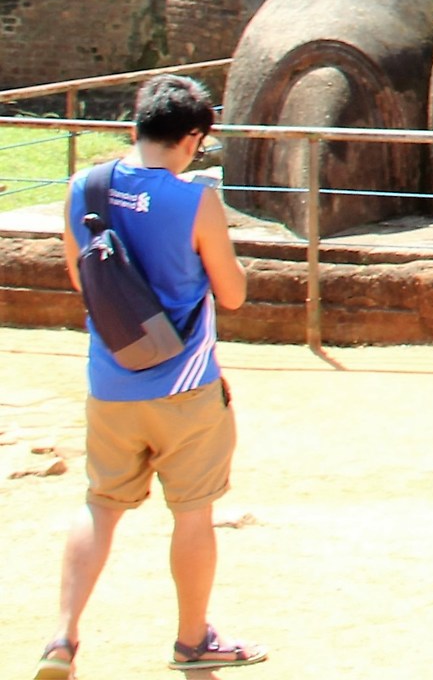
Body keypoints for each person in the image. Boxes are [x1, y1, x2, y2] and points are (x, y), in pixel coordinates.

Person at [41, 75, 262, 678]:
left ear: (135, 123)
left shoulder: (83, 186)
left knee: (100, 503)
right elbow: (234, 294)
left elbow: (81, 282)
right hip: (185, 387)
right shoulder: (196, 199)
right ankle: (193, 641)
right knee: (192, 513)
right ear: (193, 137)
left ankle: (62, 638)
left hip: (110, 383)